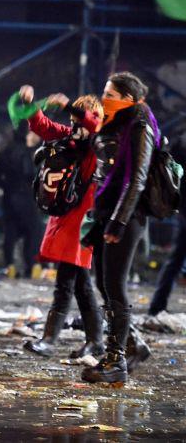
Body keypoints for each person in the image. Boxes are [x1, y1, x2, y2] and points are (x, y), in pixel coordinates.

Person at [17, 87, 106, 359]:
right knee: (80, 283)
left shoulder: (96, 142)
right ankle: (95, 342)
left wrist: (69, 106)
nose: (75, 124)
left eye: (80, 119)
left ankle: (49, 340)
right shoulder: (68, 137)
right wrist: (31, 104)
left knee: (66, 282)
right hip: (66, 217)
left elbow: (94, 124)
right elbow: (42, 126)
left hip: (81, 220)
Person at [80, 72, 155, 384]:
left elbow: (136, 178)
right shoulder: (115, 124)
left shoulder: (140, 126)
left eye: (110, 93)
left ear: (128, 99)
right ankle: (133, 343)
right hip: (107, 213)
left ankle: (116, 361)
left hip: (127, 216)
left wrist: (119, 221)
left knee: (115, 286)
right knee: (103, 283)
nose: (104, 97)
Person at [0, 123, 45, 279]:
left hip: (9, 197)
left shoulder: (4, 151)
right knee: (33, 232)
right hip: (26, 197)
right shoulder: (26, 152)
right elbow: (30, 173)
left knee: (10, 232)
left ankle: (10, 266)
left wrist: (5, 187)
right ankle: (32, 266)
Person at [148, 129, 186, 316]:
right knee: (175, 261)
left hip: (183, 210)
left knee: (175, 261)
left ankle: (157, 305)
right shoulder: (181, 144)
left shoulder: (179, 142)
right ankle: (157, 305)